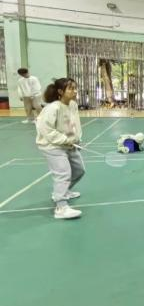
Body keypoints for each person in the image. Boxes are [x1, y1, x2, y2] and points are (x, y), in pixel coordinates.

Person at [35, 78, 85, 220]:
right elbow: (45, 129)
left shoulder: (73, 105)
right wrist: (65, 140)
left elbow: (75, 124)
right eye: (71, 88)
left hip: (69, 144)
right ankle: (61, 207)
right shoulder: (53, 108)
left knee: (79, 170)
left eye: (75, 88)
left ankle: (63, 191)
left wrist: (77, 139)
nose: (75, 91)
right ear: (60, 91)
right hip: (52, 145)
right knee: (63, 174)